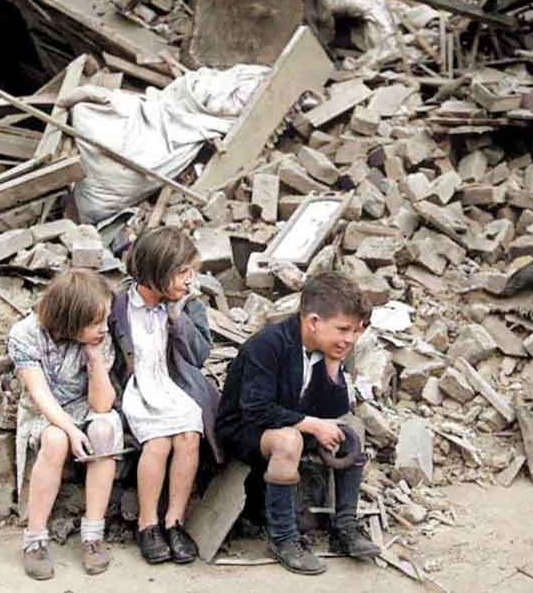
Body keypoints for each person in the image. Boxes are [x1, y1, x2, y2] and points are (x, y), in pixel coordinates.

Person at [216, 271, 381, 575]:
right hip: (245, 431)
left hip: (291, 422)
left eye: (354, 331)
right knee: (289, 440)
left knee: (352, 431)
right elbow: (256, 410)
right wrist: (313, 426)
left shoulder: (328, 347)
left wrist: (332, 369)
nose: (350, 339)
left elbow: (335, 410)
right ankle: (283, 537)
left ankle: (344, 525)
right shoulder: (268, 345)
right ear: (314, 321)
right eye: (343, 329)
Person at [109, 227, 223, 565]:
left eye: (191, 272)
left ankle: (175, 521)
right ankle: (148, 524)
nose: (189, 280)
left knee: (188, 435)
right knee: (157, 442)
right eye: (181, 272)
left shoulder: (189, 306)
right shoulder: (119, 305)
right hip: (139, 387)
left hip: (175, 384)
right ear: (157, 271)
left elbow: (199, 357)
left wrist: (178, 320)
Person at [8, 269, 124, 580]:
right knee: (57, 440)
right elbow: (39, 394)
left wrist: (96, 359)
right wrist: (71, 430)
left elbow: (101, 404)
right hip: (42, 411)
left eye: (105, 321)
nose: (103, 329)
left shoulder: (99, 339)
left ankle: (93, 534)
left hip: (83, 405)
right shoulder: (25, 334)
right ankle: (34, 539)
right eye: (94, 323)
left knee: (105, 428)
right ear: (70, 319)